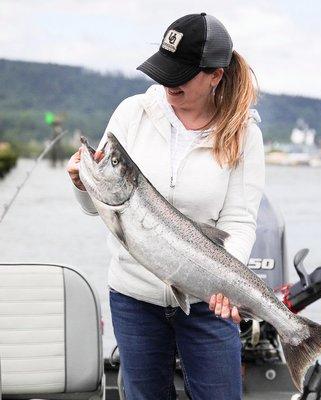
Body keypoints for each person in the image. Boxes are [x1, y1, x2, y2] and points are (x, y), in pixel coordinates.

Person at [67, 12, 265, 400]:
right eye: (165, 69)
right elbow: (98, 205)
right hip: (133, 298)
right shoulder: (131, 114)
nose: (167, 82)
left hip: (207, 298)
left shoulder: (245, 134)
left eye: (181, 74)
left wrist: (225, 281)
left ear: (215, 75)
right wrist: (80, 184)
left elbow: (240, 221)